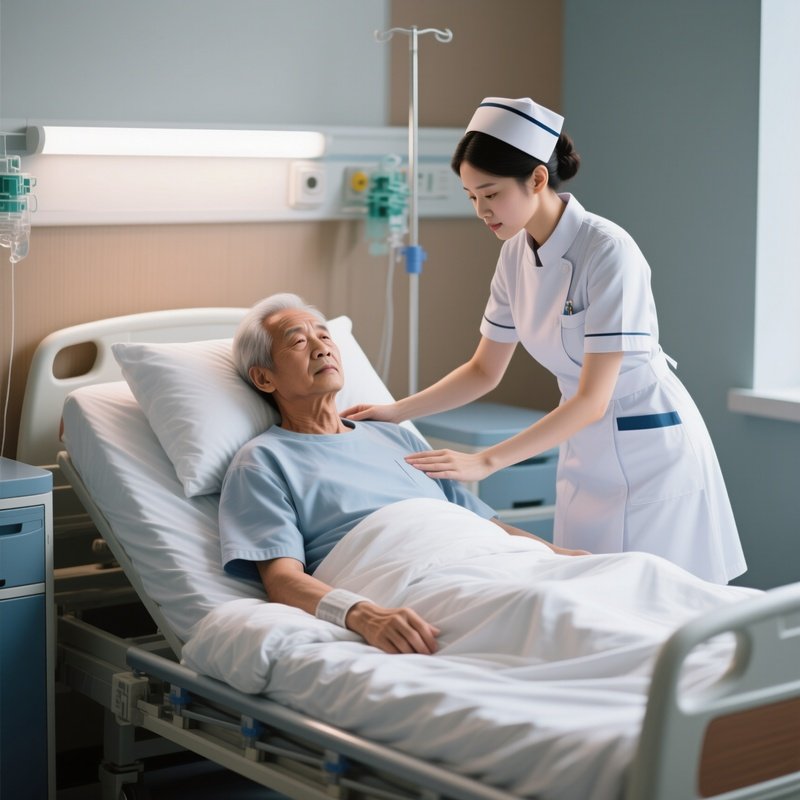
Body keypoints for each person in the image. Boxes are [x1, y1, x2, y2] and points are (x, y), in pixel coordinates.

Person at [344, 96, 746, 585]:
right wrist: (395, 411)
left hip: (651, 455)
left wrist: (485, 461)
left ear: (537, 179)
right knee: (587, 595)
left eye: (490, 194)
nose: (481, 211)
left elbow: (594, 398)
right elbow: (483, 370)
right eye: (471, 197)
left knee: (664, 602)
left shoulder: (608, 251)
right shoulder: (515, 254)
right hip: (583, 453)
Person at [219, 293, 587, 657]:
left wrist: (561, 556)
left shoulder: (395, 435)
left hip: (491, 558)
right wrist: (362, 614)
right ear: (264, 379)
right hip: (412, 580)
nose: (321, 347)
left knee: (627, 578)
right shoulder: (263, 462)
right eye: (298, 341)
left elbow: (485, 525)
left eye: (325, 335)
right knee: (547, 614)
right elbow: (282, 581)